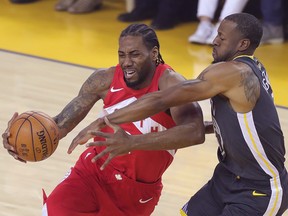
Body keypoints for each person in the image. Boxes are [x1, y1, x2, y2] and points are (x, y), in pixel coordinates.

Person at [71, 13, 288, 215]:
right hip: (228, 176)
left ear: (242, 44)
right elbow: (246, 122)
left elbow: (161, 98)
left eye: (221, 37)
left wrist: (104, 121)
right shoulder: (254, 67)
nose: (214, 41)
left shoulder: (231, 72)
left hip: (260, 187)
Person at [2, 24, 211, 215]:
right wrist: (18, 142)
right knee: (53, 210)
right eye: (122, 54)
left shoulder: (171, 84)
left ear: (154, 53)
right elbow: (58, 126)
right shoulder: (104, 80)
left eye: (134, 54)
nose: (126, 62)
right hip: (93, 172)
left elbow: (195, 132)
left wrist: (132, 143)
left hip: (138, 191)